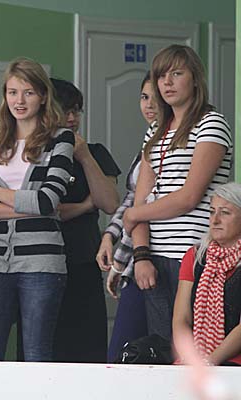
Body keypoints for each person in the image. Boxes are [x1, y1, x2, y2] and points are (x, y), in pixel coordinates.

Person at [0, 57, 74, 362]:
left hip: (42, 263)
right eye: (12, 92)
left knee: (36, 354)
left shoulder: (60, 138)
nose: (19, 101)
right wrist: (32, 206)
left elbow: (47, 200)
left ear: (43, 96)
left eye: (28, 92)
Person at [124, 44, 233, 342]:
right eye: (161, 76)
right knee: (162, 346)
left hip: (194, 253)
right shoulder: (156, 130)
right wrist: (141, 255)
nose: (167, 83)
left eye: (176, 74)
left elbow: (189, 196)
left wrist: (133, 214)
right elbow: (142, 198)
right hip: (155, 256)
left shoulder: (212, 123)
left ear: (195, 79)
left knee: (196, 346)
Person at [49, 78, 120, 363]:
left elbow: (110, 203)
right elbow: (46, 209)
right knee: (48, 349)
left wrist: (84, 156)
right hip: (44, 263)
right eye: (65, 110)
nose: (72, 118)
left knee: (88, 350)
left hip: (84, 260)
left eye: (76, 111)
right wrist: (85, 205)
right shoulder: (37, 155)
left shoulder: (95, 152)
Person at [97, 72, 155, 362]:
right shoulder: (149, 141)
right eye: (144, 97)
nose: (149, 105)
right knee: (123, 355)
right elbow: (132, 199)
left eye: (156, 98)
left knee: (132, 353)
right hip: (135, 258)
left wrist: (120, 261)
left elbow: (144, 208)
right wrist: (110, 235)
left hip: (155, 257)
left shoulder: (170, 143)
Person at [173, 182, 241, 366]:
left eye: (225, 213)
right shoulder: (195, 256)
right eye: (212, 212)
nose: (215, 220)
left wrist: (209, 361)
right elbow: (181, 319)